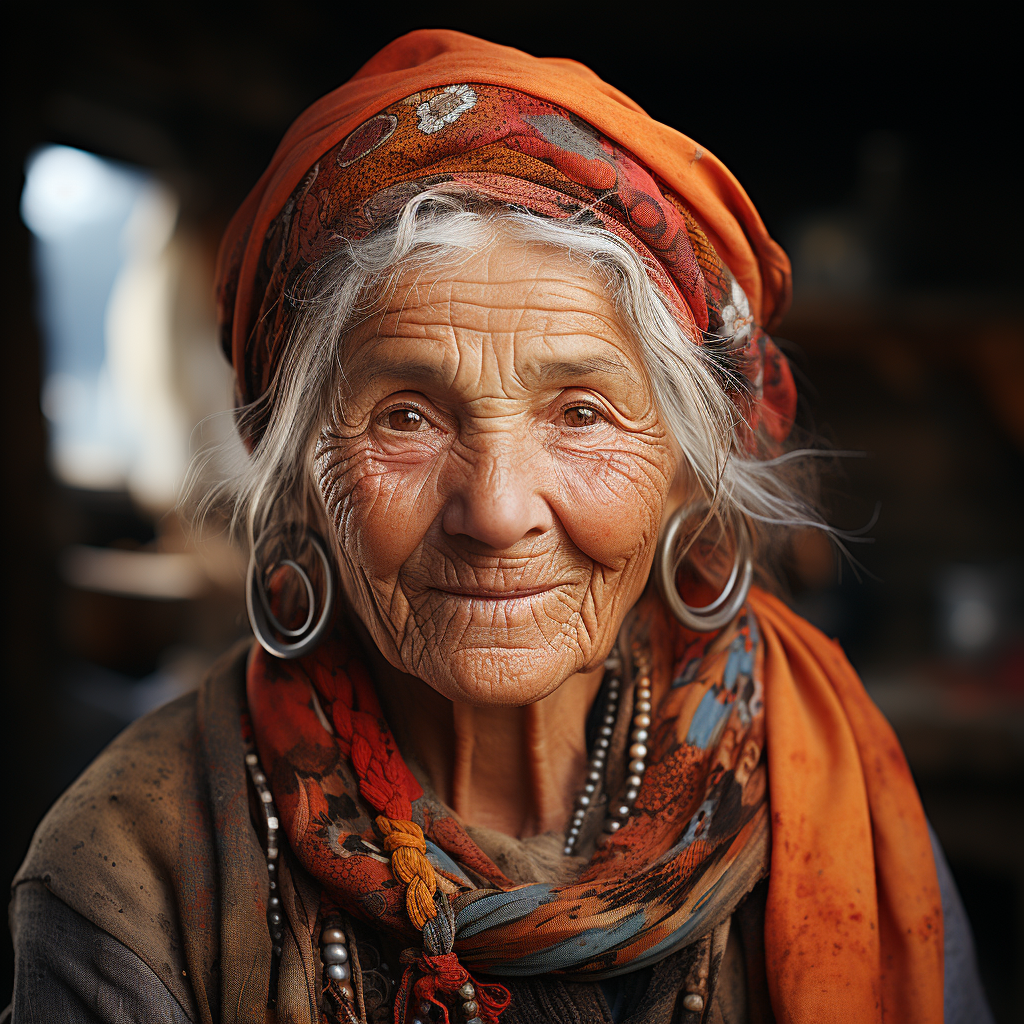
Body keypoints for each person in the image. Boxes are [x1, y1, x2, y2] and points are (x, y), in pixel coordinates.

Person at [6, 29, 993, 1024]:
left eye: (579, 412)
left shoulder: (834, 792)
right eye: (406, 414)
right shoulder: (133, 858)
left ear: (689, 474)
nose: (496, 510)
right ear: (298, 471)